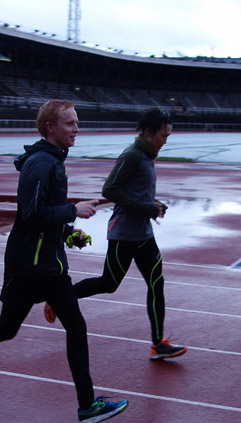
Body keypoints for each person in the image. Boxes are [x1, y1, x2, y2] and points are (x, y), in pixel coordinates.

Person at [0, 100, 128, 423]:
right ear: (51, 128)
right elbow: (31, 214)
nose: (77, 129)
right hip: (28, 265)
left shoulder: (54, 161)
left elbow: (48, 211)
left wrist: (69, 233)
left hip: (51, 264)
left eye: (77, 123)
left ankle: (87, 406)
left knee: (76, 326)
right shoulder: (41, 164)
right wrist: (74, 210)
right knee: (5, 329)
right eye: (70, 123)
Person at [46, 108, 186, 361]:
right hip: (123, 235)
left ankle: (158, 344)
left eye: (168, 136)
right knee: (108, 284)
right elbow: (110, 189)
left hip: (144, 235)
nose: (165, 141)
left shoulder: (146, 155)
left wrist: (154, 203)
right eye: (163, 136)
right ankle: (59, 299)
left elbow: (137, 192)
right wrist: (147, 208)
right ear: (148, 132)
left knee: (157, 284)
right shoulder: (132, 155)